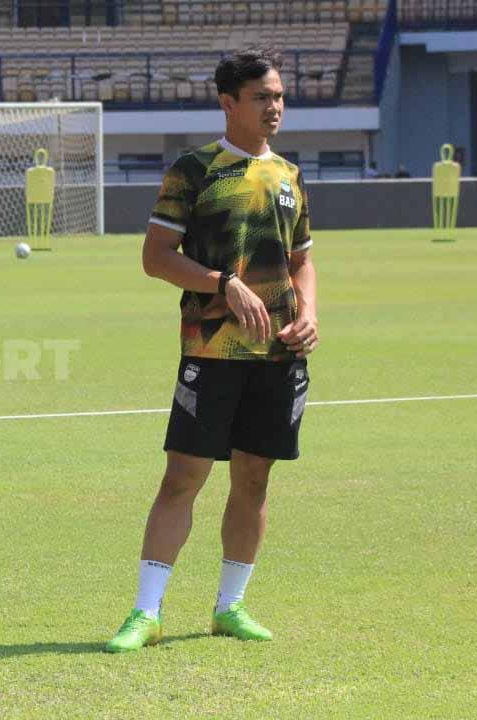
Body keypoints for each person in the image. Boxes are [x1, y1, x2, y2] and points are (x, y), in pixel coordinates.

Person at [106, 46, 319, 653]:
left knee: (254, 481)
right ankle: (146, 613)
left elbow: (302, 261)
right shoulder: (193, 169)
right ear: (229, 103)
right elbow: (156, 258)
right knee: (183, 479)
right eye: (262, 97)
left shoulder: (289, 176)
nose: (275, 107)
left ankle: (232, 606)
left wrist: (311, 313)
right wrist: (222, 283)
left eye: (278, 95)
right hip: (212, 351)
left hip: (279, 356)